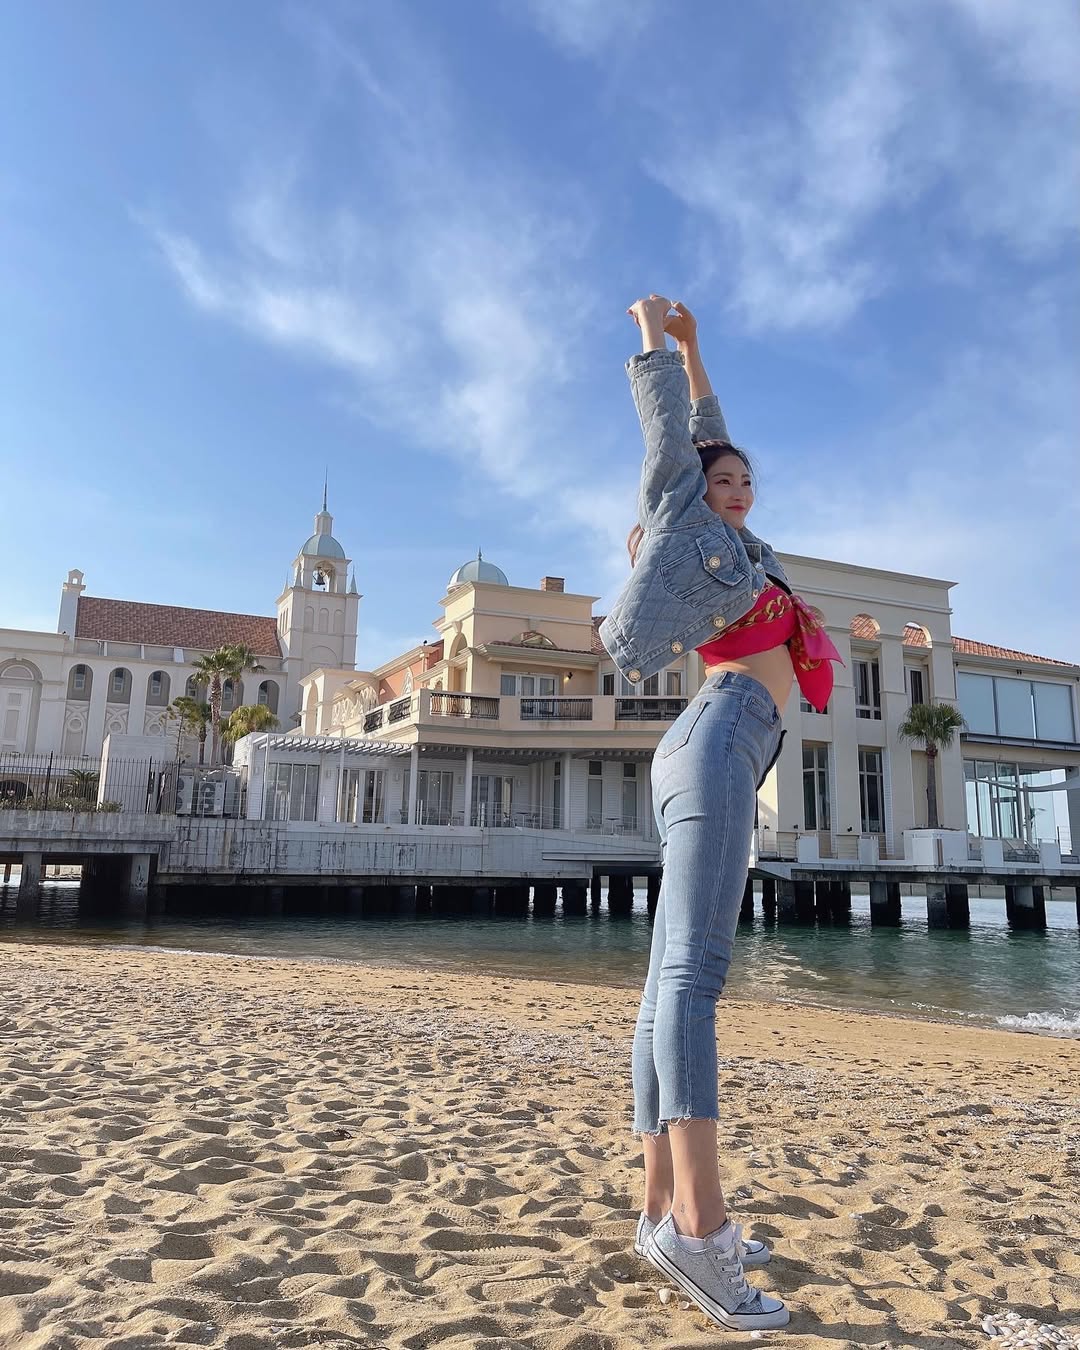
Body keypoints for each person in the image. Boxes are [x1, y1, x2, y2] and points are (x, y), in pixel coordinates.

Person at [599, 295, 841, 1333]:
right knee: (693, 983)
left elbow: (710, 430)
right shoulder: (690, 525)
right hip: (718, 737)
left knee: (668, 986)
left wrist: (701, 349)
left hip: (721, 744)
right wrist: (657, 343)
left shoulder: (749, 552)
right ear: (695, 492)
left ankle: (660, 1210)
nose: (736, 488)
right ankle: (701, 1229)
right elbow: (676, 438)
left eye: (746, 479)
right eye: (722, 479)